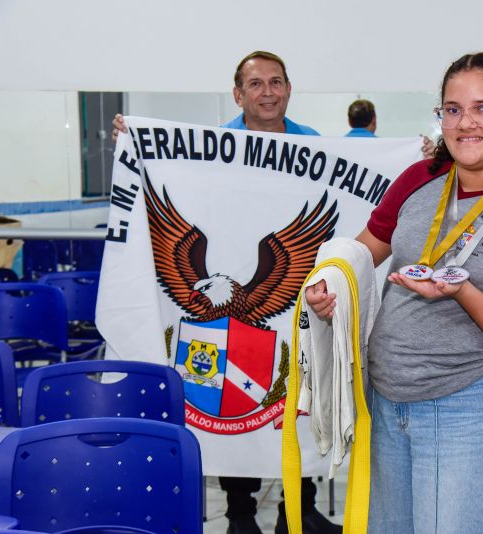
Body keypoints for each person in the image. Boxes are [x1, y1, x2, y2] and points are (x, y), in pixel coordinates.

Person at [306, 52, 483, 533]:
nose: (465, 122)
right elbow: (363, 254)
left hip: (465, 413)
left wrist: (461, 292)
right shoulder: (419, 180)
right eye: (452, 109)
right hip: (388, 404)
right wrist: (332, 291)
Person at [113, 51, 339, 534]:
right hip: (226, 317)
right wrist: (133, 145)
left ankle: (299, 511)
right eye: (256, 84)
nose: (268, 92)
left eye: (276, 82)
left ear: (289, 88)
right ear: (238, 94)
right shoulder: (214, 147)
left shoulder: (318, 148)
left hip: (298, 307)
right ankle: (240, 512)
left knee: (299, 402)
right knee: (227, 398)